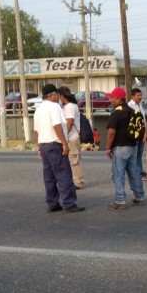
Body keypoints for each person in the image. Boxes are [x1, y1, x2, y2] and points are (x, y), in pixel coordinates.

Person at [33, 84, 83, 213]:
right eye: (57, 94)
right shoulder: (54, 107)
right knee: (63, 174)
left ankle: (52, 203)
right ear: (51, 95)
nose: (58, 97)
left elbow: (36, 131)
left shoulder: (38, 109)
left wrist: (39, 147)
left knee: (49, 177)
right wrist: (64, 143)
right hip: (55, 145)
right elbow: (57, 126)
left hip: (44, 145)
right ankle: (68, 203)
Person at [105, 87, 145, 210]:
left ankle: (120, 200)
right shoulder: (132, 111)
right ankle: (139, 196)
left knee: (118, 174)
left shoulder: (116, 113)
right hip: (133, 146)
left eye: (112, 98)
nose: (110, 100)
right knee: (134, 173)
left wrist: (107, 148)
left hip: (120, 148)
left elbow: (111, 132)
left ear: (118, 98)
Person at [58, 87, 85, 189]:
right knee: (71, 161)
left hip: (72, 137)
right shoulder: (69, 106)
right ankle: (74, 180)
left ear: (62, 96)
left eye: (59, 96)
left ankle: (78, 182)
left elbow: (70, 122)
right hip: (71, 137)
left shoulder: (70, 106)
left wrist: (64, 136)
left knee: (74, 161)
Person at [128, 88, 147, 180]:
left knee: (139, 153)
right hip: (134, 133)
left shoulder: (140, 105)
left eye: (140, 95)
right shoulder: (130, 106)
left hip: (142, 133)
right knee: (134, 153)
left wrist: (145, 133)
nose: (140, 97)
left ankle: (139, 170)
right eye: (138, 95)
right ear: (132, 96)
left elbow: (144, 119)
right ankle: (134, 171)